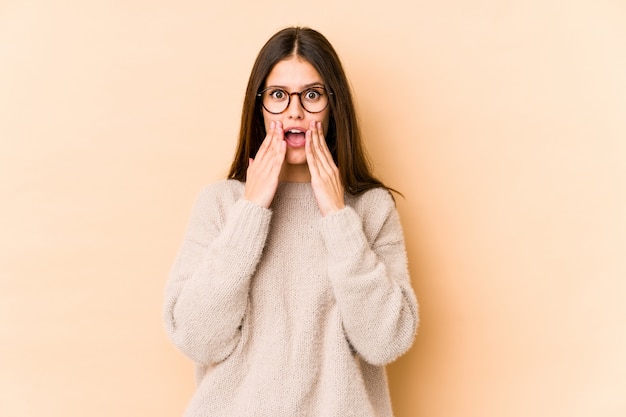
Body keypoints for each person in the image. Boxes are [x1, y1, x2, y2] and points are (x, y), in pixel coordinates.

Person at [163, 26, 419, 417]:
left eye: (312, 95)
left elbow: (386, 341)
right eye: (279, 95)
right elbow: (197, 340)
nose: (295, 111)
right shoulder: (220, 204)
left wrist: (337, 216)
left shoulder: (370, 208)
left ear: (334, 106)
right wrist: (250, 213)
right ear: (259, 106)